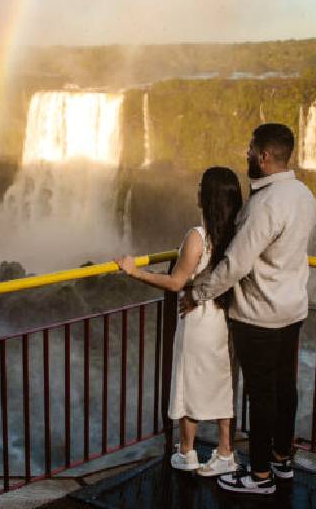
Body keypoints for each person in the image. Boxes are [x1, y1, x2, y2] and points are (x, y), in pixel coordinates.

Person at [182, 123, 316, 496]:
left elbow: (236, 264)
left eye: (249, 150)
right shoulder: (304, 195)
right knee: (283, 388)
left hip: (259, 314)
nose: (245, 155)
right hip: (292, 309)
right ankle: (281, 460)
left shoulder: (265, 204)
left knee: (260, 395)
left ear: (264, 156)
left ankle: (259, 476)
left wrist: (199, 291)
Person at [116, 166, 242, 477]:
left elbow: (175, 283)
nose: (196, 191)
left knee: (189, 382)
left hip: (198, 320)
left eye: (201, 187)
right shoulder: (238, 236)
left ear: (208, 197)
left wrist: (134, 271)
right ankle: (225, 450)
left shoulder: (196, 237)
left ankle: (186, 452)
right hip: (225, 318)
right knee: (222, 382)